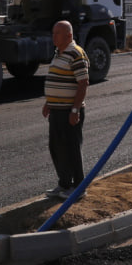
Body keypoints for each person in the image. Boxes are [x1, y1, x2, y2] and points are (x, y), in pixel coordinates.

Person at [41, 20, 89, 200]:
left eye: (58, 33)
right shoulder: (58, 53)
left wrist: (75, 110)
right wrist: (49, 103)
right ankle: (64, 184)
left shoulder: (76, 53)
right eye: (53, 33)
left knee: (72, 149)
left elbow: (83, 84)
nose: (54, 37)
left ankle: (79, 187)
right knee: (57, 148)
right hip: (56, 111)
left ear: (69, 35)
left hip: (69, 111)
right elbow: (56, 79)